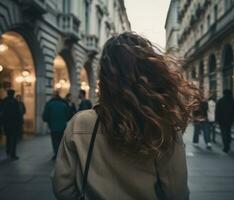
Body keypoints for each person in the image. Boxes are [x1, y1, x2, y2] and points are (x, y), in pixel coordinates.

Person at [52, 32, 200, 199]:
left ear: (105, 76)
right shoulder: (162, 124)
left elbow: (62, 187)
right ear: (149, 73)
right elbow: (176, 192)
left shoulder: (80, 123)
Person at [43, 91, 70, 160]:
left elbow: (45, 116)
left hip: (53, 126)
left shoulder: (49, 104)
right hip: (62, 126)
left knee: (55, 141)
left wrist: (48, 120)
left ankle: (56, 154)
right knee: (61, 140)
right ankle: (62, 154)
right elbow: (68, 115)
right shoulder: (64, 104)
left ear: (53, 96)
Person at [2, 89, 21, 160]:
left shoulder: (4, 101)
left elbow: (2, 113)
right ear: (13, 94)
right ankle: (13, 154)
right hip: (14, 124)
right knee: (13, 139)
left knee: (8, 138)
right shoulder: (15, 101)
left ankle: (8, 152)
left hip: (7, 124)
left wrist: (2, 124)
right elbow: (18, 113)